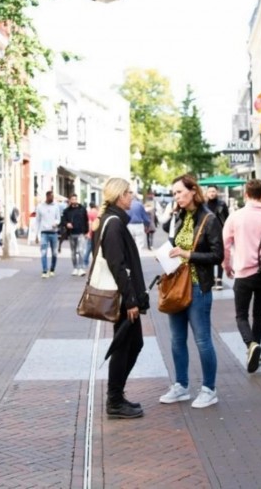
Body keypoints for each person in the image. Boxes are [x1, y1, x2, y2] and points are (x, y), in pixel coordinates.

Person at [159, 174, 224, 409]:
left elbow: (218, 256)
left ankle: (209, 389)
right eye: (174, 193)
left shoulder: (209, 219)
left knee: (202, 339)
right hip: (177, 285)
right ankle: (181, 386)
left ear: (192, 191)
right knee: (177, 339)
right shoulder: (179, 217)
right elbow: (169, 235)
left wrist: (187, 254)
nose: (176, 196)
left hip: (198, 287)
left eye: (179, 192)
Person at [94, 177, 150, 419]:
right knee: (124, 345)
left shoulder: (112, 221)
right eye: (128, 193)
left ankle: (116, 396)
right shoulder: (114, 224)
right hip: (122, 297)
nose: (132, 196)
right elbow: (118, 266)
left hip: (124, 295)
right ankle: (114, 400)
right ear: (119, 196)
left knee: (132, 344)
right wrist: (131, 301)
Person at [222, 179, 261, 373]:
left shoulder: (236, 216)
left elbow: (225, 243)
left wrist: (227, 265)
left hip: (244, 272)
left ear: (246, 194)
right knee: (259, 314)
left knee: (241, 315)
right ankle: (257, 350)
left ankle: (250, 345)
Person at [206, 185, 230, 290]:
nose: (212, 193)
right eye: (210, 191)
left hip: (220, 233)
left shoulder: (222, 204)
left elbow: (227, 219)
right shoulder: (203, 205)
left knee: (220, 256)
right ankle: (211, 279)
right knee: (209, 256)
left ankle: (219, 279)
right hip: (207, 234)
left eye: (214, 191)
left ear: (217, 192)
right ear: (207, 193)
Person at [61, 193, 89, 276]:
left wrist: (86, 232)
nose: (74, 201)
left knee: (80, 251)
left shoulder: (82, 209)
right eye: (72, 199)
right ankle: (75, 268)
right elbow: (62, 221)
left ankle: (81, 268)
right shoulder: (66, 211)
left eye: (75, 199)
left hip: (81, 233)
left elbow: (86, 220)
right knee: (73, 252)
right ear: (70, 200)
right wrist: (67, 224)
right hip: (71, 234)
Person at [35, 191, 60, 278]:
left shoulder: (56, 206)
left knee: (54, 253)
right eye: (50, 197)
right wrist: (36, 234)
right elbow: (37, 220)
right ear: (47, 196)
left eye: (53, 197)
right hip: (44, 232)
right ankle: (45, 270)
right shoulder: (40, 207)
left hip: (53, 232)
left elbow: (58, 218)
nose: (52, 198)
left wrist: (56, 223)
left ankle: (52, 269)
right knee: (43, 252)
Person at [83, 202, 99, 271]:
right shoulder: (98, 212)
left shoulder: (89, 213)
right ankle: (95, 262)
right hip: (97, 232)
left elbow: (90, 223)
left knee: (88, 248)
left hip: (92, 231)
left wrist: (89, 233)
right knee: (95, 248)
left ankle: (85, 262)